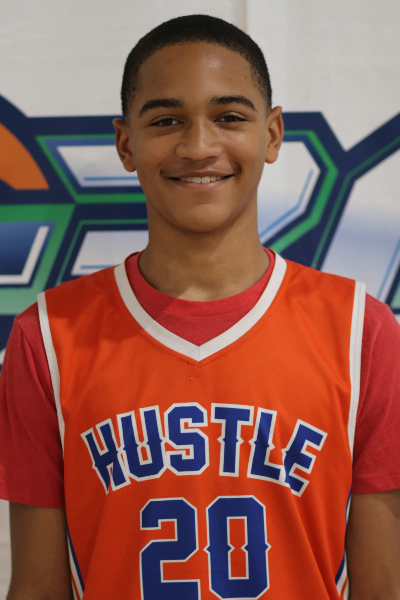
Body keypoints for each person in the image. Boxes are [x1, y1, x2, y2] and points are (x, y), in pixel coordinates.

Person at [1, 14, 400, 600]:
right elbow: (37, 589)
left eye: (229, 117)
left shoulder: (361, 331)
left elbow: (382, 586)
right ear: (126, 143)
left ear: (272, 134)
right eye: (166, 120)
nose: (198, 146)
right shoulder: (48, 336)